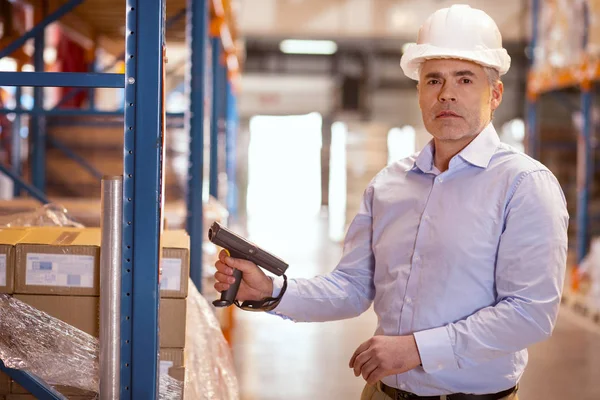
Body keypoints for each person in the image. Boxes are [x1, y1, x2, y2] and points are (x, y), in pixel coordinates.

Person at [214, 4, 568, 400]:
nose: (447, 93)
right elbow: (352, 286)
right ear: (419, 92)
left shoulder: (523, 185)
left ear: (496, 93)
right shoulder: (389, 184)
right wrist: (272, 291)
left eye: (465, 79)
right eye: (433, 80)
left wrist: (416, 350)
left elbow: (529, 313)